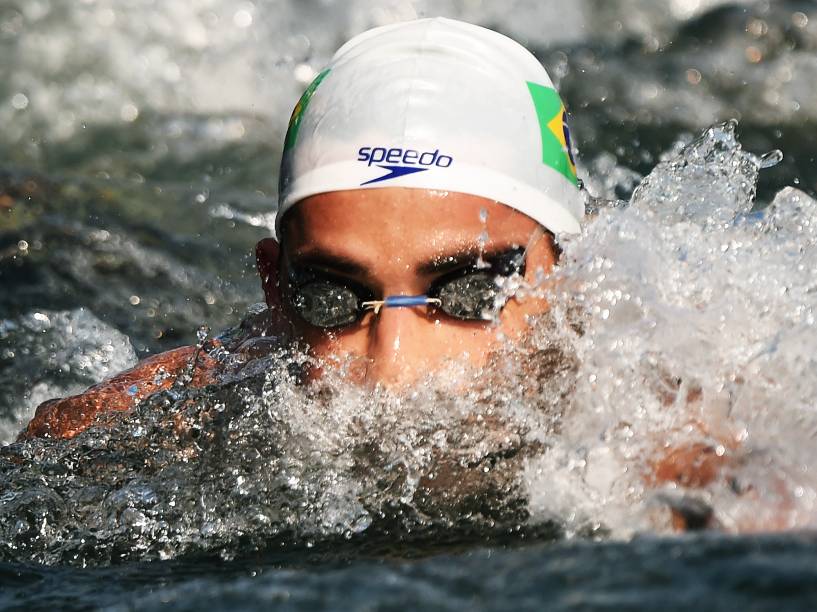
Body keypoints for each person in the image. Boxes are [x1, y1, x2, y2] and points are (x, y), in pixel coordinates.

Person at [18, 18, 733, 528]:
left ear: (571, 274)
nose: (394, 370)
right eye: (332, 298)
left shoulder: (665, 424)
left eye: (470, 292)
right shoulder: (179, 410)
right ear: (275, 287)